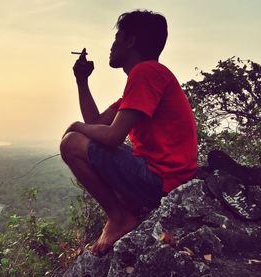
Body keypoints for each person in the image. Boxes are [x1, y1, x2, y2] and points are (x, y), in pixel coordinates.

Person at [60, 10, 198, 256]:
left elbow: (111, 136)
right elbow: (96, 122)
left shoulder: (146, 73)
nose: (112, 46)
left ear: (131, 41)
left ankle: (119, 218)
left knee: (71, 143)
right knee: (78, 139)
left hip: (162, 181)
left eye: (117, 38)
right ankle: (124, 210)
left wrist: (76, 127)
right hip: (162, 176)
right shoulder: (146, 79)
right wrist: (82, 81)